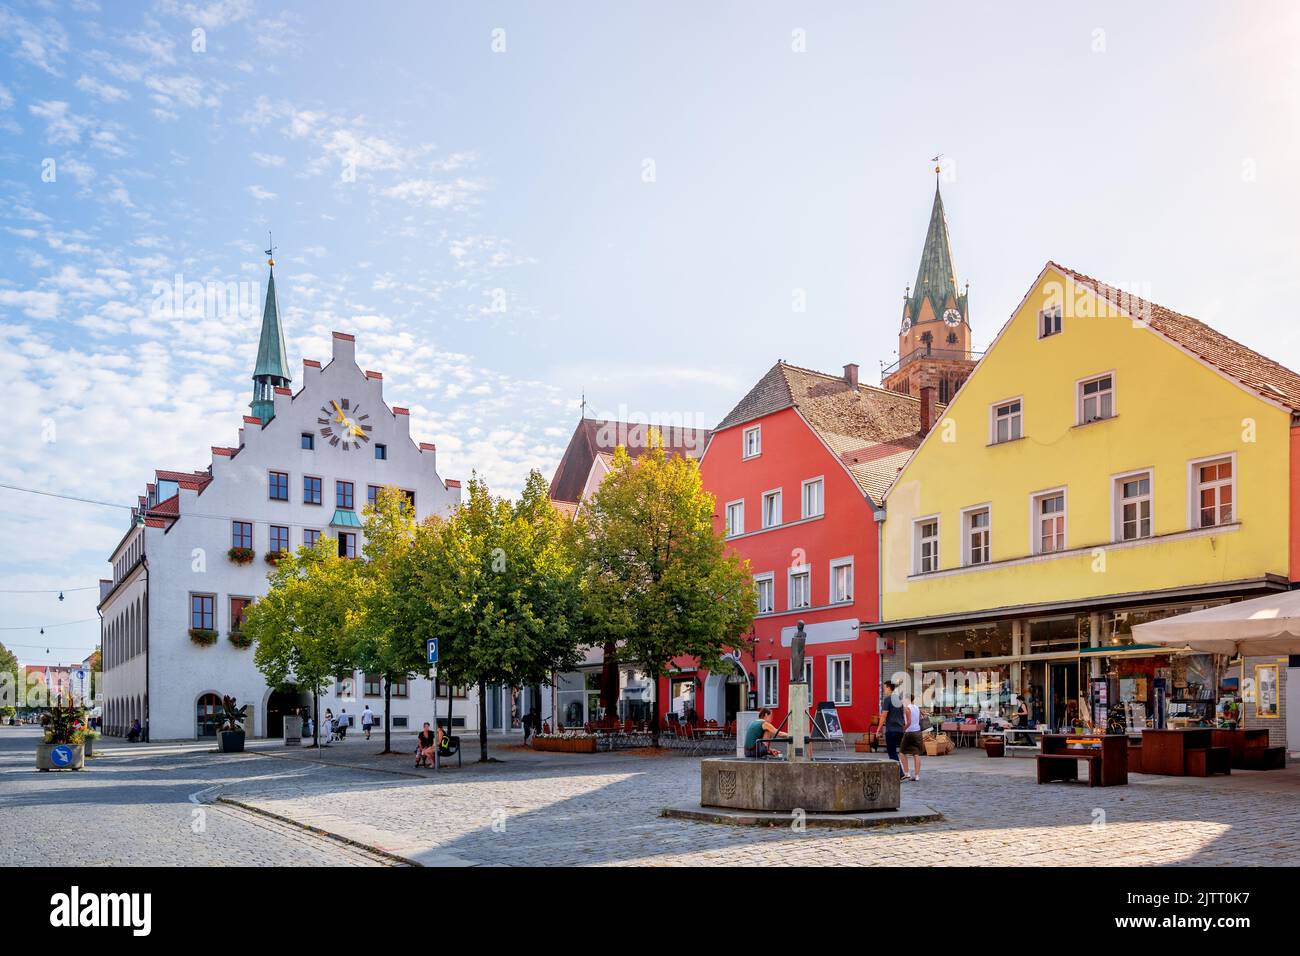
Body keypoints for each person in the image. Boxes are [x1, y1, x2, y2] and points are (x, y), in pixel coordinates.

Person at [879, 680, 907, 780]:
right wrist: (903, 726)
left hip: (891, 730)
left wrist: (878, 729)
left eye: (884, 687)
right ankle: (902, 772)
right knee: (899, 752)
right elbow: (902, 714)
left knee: (892, 753)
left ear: (888, 688)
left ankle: (900, 774)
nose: (883, 690)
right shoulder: (898, 699)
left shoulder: (887, 699)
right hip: (900, 730)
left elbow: (883, 715)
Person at [899, 694, 925, 781]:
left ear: (907, 700)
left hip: (909, 733)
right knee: (916, 754)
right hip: (917, 732)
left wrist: (903, 729)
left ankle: (907, 773)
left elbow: (909, 722)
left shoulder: (907, 708)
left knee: (902, 752)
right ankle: (917, 776)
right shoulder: (917, 707)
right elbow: (921, 717)